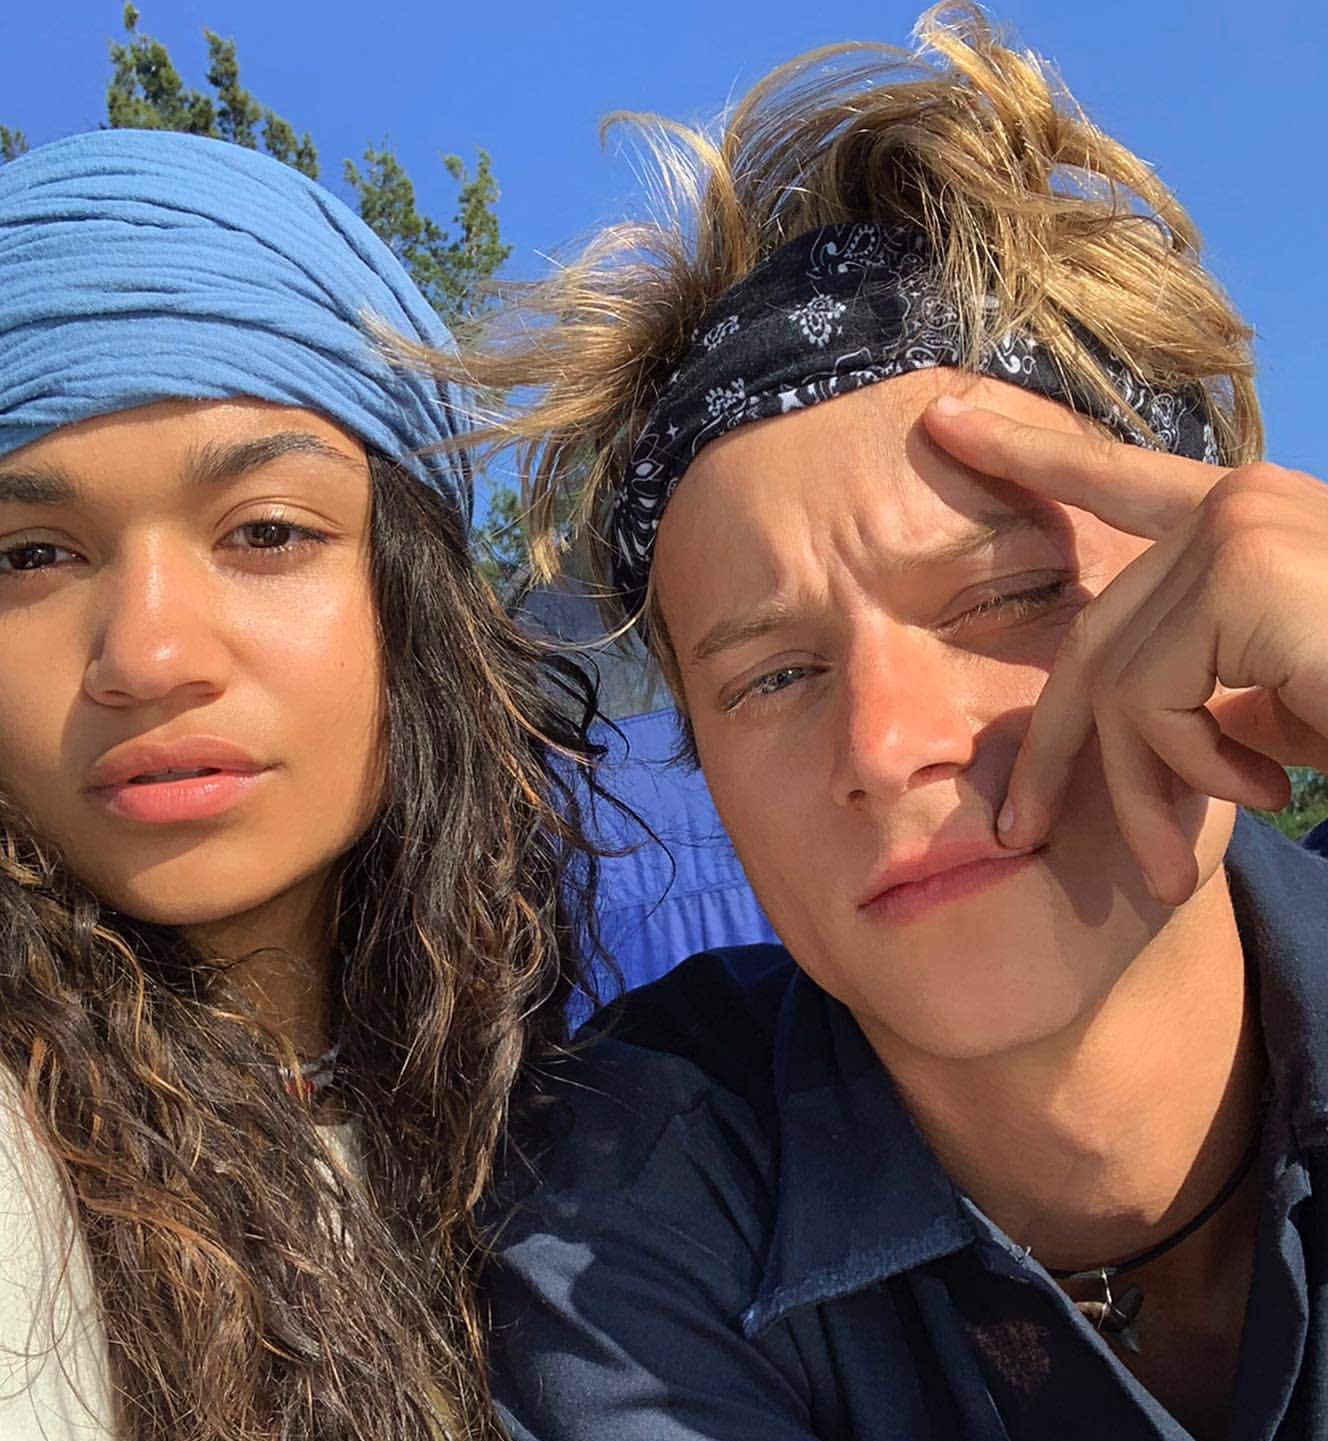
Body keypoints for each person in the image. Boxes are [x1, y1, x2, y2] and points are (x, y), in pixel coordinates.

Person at [426, 6, 1328, 1438]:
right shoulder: (626, 1204)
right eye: (773, 678)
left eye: (1010, 597)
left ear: (1222, 606)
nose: (883, 747)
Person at [0, 129, 603, 1441]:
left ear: (411, 589)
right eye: (26, 555)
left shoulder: (577, 1126)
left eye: (266, 532)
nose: (150, 656)